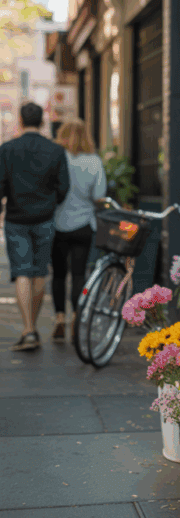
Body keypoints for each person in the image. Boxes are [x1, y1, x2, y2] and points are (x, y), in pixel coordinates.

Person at [0, 102, 70, 351]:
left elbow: (1, 184)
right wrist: (50, 202)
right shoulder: (55, 150)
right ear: (42, 122)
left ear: (20, 120)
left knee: (22, 272)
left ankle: (29, 329)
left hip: (16, 219)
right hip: (45, 217)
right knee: (40, 272)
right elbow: (63, 187)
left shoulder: (7, 149)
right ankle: (34, 327)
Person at [51, 118, 107, 341]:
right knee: (78, 274)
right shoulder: (94, 162)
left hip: (57, 225)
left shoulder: (58, 159)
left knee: (58, 274)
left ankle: (59, 318)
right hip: (84, 225)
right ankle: (76, 316)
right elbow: (99, 196)